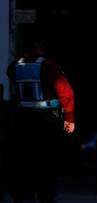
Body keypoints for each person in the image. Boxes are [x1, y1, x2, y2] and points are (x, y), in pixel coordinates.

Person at [6, 40, 75, 203]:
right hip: (46, 119)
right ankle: (45, 194)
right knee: (45, 158)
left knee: (22, 158)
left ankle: (22, 193)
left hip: (21, 118)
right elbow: (66, 92)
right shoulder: (49, 66)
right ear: (41, 50)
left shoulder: (13, 67)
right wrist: (69, 119)